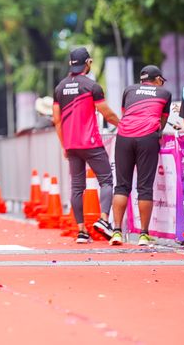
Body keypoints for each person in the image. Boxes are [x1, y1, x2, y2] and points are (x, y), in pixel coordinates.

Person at [52, 47, 120, 243]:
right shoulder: (92, 86)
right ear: (88, 63)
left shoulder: (59, 88)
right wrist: (124, 125)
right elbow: (107, 114)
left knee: (77, 187)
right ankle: (104, 220)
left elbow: (56, 120)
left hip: (71, 145)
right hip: (91, 143)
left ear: (70, 64)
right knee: (106, 180)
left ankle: (81, 231)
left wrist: (64, 145)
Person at [110, 65, 172, 246]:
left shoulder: (129, 90)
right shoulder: (165, 93)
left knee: (121, 186)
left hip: (124, 136)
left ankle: (116, 232)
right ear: (158, 79)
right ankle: (144, 235)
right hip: (147, 137)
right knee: (144, 187)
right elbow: (162, 121)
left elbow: (125, 113)